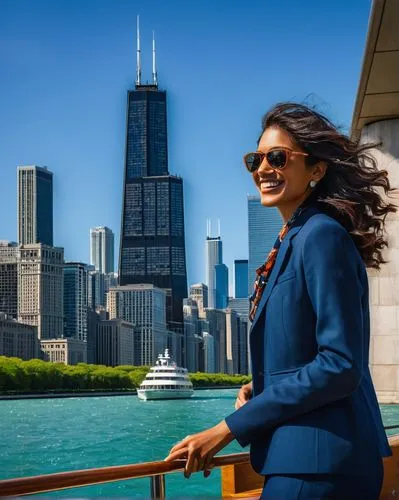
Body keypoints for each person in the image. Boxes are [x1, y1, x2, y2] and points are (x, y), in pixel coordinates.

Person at [164, 102, 396, 498]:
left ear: (316, 169)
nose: (262, 169)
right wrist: (262, 384)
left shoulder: (320, 235)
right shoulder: (294, 238)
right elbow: (304, 352)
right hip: (303, 461)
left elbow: (340, 364)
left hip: (321, 466)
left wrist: (225, 430)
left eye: (278, 157)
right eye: (256, 159)